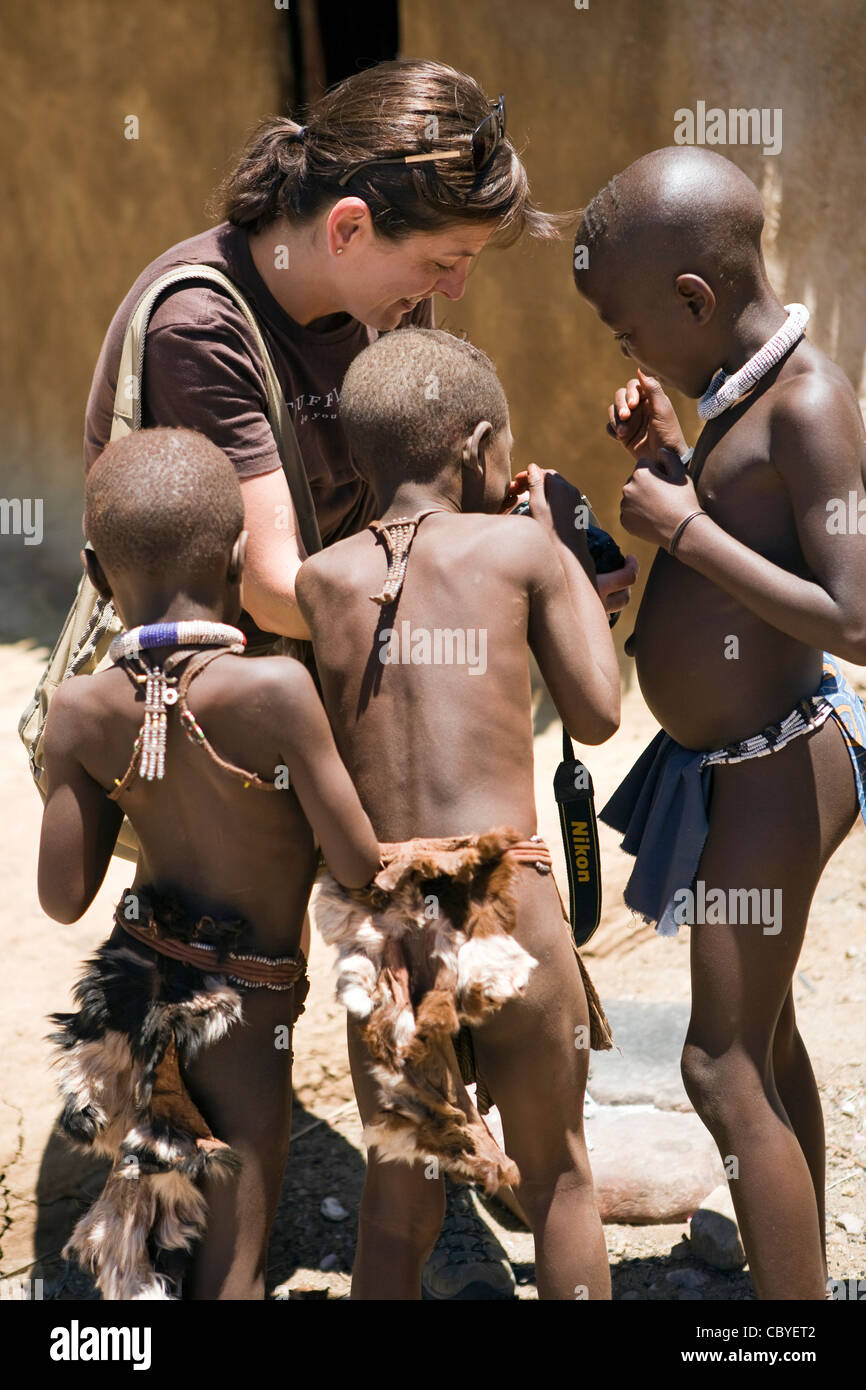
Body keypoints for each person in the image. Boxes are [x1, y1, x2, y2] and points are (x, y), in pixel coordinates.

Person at [574, 146, 866, 1300]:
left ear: (691, 302)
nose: (625, 352)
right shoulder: (739, 395)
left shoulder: (808, 404)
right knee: (764, 1037)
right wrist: (667, 462)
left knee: (714, 1059)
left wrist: (681, 529)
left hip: (773, 774)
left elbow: (854, 614)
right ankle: (801, 1275)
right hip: (739, 769)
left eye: (625, 330)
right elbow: (744, 518)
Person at [296, 326, 621, 1300]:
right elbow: (599, 712)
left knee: (396, 1209)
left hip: (389, 921)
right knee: (559, 1178)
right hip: (507, 901)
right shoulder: (521, 545)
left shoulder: (318, 580)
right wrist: (561, 551)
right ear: (479, 446)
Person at [40, 428, 381, 1300]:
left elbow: (62, 896)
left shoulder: (77, 709)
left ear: (91, 569)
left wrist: (67, 765)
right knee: (235, 1251)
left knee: (153, 1227)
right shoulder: (274, 693)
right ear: (239, 555)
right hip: (245, 1006)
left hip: (129, 995)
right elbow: (356, 860)